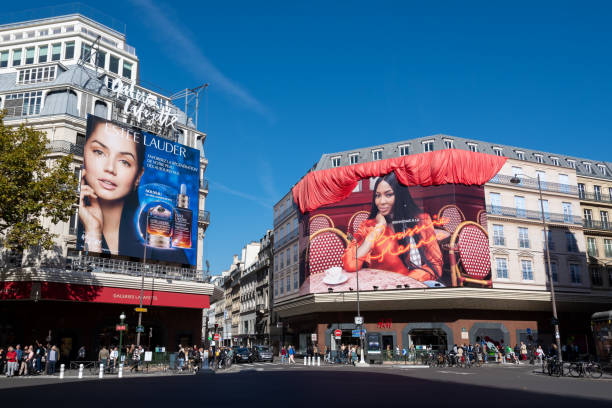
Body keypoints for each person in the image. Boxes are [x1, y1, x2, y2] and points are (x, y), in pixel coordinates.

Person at [342, 171, 443, 282]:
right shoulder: (369, 227)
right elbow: (350, 264)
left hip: (415, 286)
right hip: (384, 290)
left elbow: (435, 265)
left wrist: (407, 282)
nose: (381, 202)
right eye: (377, 195)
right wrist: (378, 229)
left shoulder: (421, 221)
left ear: (401, 196)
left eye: (388, 194)